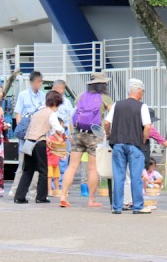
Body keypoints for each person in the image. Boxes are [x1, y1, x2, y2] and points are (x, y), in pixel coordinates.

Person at [60, 72, 113, 208]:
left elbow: (74, 114)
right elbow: (112, 115)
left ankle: (63, 195)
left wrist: (72, 133)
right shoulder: (104, 98)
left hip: (78, 133)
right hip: (93, 135)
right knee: (92, 168)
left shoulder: (81, 96)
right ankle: (91, 200)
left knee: (72, 166)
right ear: (103, 85)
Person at [104, 78, 152, 214]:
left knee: (119, 176)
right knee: (136, 176)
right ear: (139, 91)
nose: (142, 94)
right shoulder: (142, 106)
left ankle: (117, 207)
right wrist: (143, 139)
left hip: (118, 144)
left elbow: (106, 123)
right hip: (134, 145)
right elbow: (147, 127)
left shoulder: (116, 105)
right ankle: (138, 206)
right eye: (142, 92)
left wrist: (108, 135)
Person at [14, 91, 64, 204]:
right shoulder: (50, 113)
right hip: (38, 143)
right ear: (55, 103)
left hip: (28, 142)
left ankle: (19, 196)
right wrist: (62, 131)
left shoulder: (37, 112)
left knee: (27, 170)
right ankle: (41, 197)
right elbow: (57, 128)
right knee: (43, 171)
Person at [9, 71, 46, 198]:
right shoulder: (23, 95)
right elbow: (18, 113)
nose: (40, 84)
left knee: (35, 165)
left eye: (41, 81)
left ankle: (32, 192)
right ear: (32, 82)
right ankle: (15, 189)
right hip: (26, 134)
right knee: (23, 164)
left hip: (37, 134)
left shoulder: (42, 96)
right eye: (38, 81)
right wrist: (22, 132)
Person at [52, 80, 74, 189]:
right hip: (52, 133)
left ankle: (61, 185)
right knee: (52, 160)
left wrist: (70, 134)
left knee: (64, 159)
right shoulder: (49, 101)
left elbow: (70, 120)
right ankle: (51, 185)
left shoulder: (67, 102)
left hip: (64, 133)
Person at [47, 127, 68, 197]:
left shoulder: (61, 138)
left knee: (57, 176)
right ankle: (49, 190)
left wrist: (63, 154)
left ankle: (57, 190)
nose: (61, 131)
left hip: (56, 162)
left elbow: (61, 148)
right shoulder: (50, 138)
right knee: (49, 177)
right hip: (49, 161)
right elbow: (48, 149)